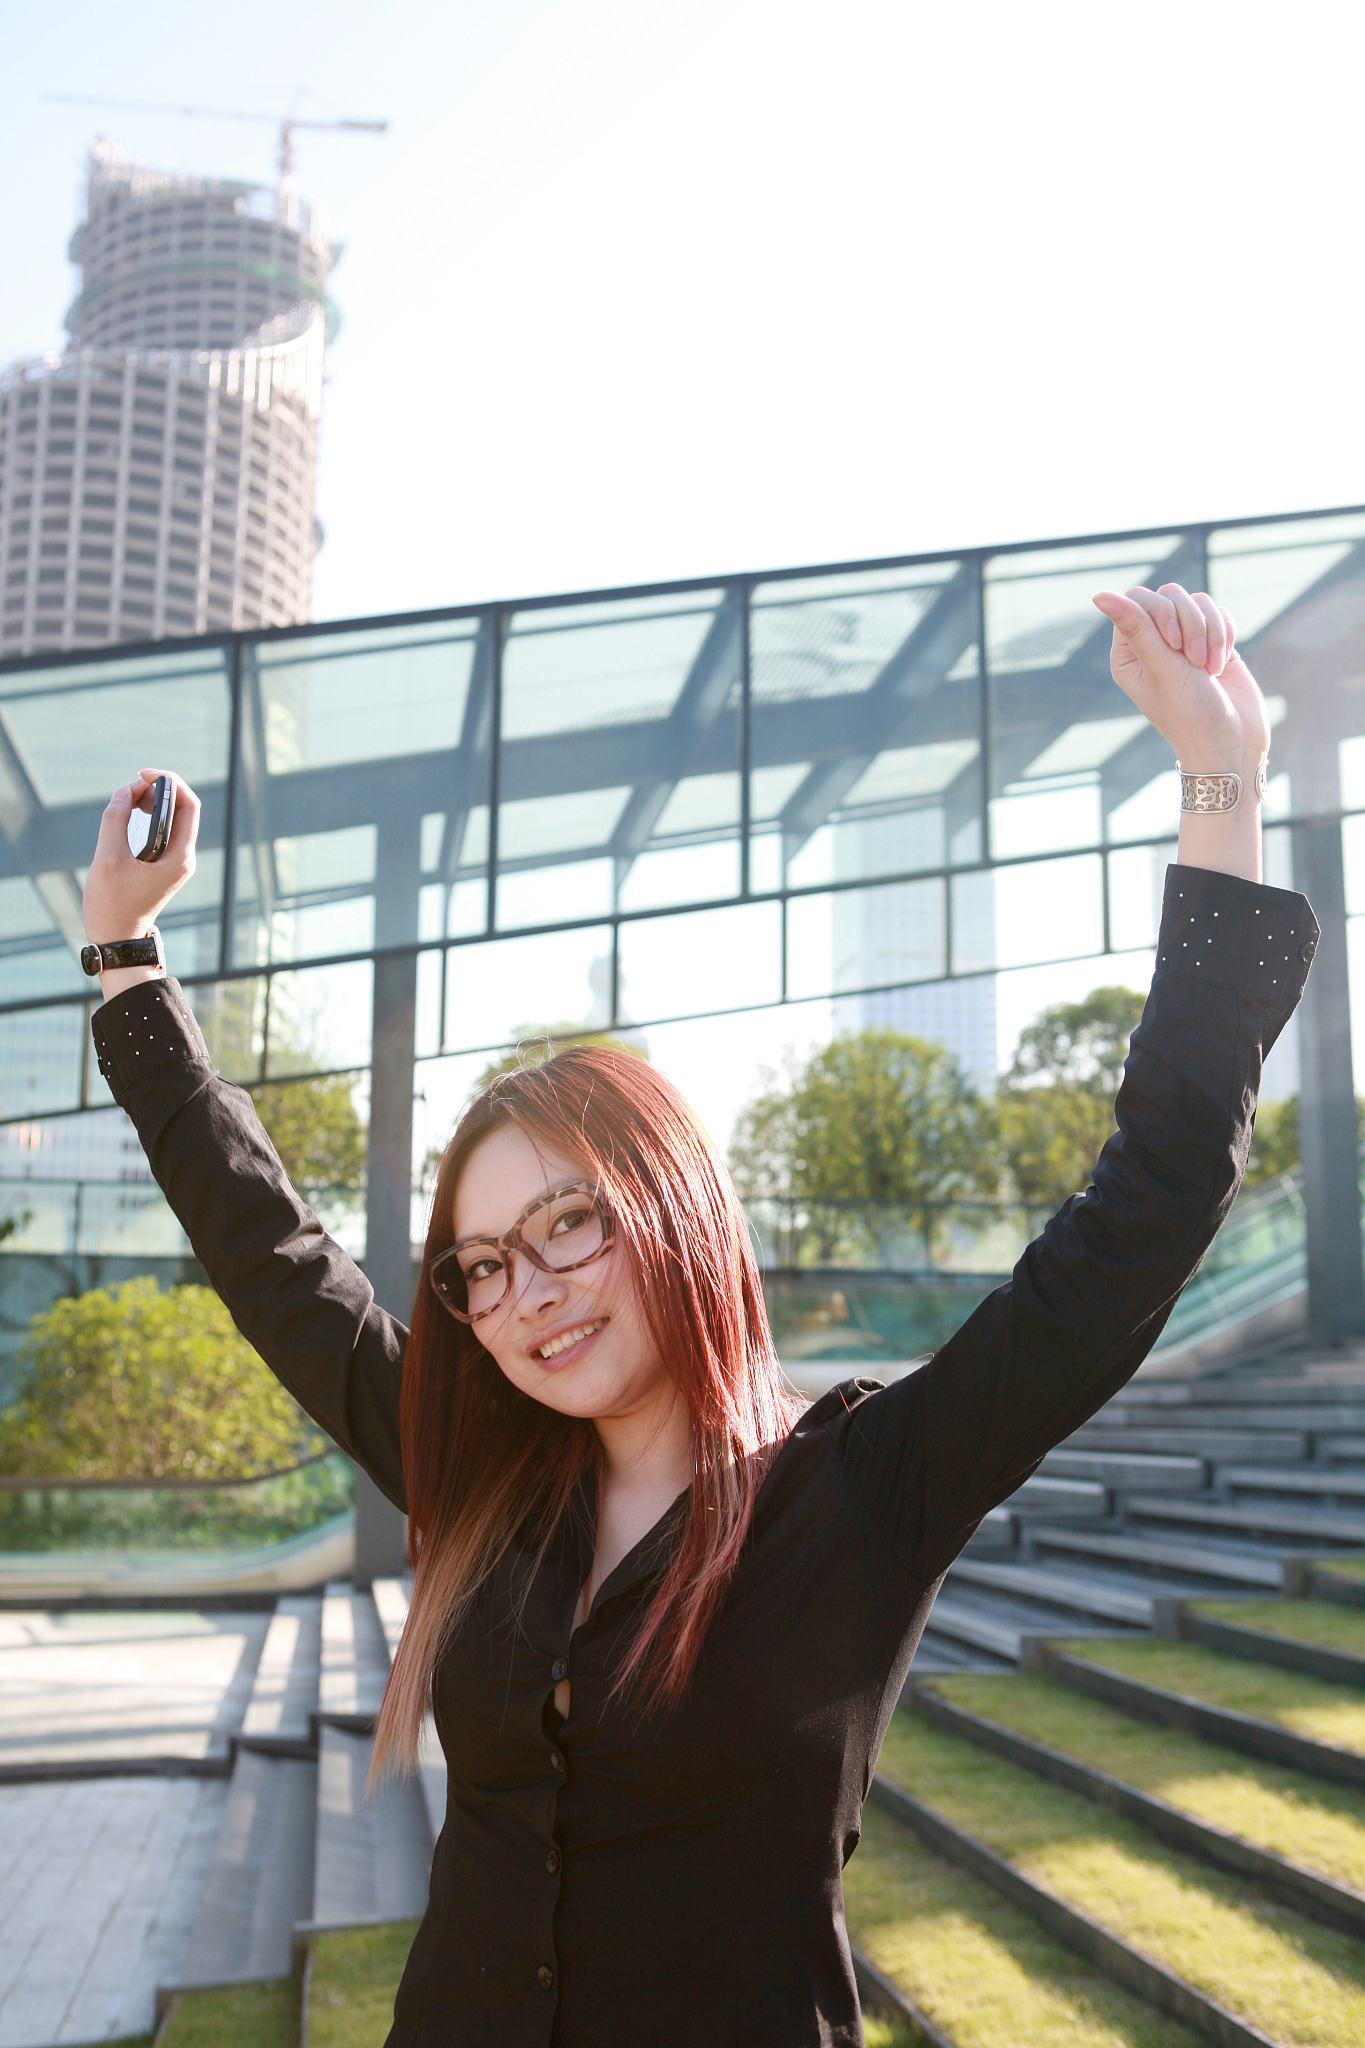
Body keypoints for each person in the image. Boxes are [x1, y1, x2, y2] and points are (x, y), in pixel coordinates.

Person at [82, 583, 1316, 2047]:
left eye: (564, 1228)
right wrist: (124, 957)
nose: (522, 1295)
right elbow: (272, 1256)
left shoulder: (863, 1494)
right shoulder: (474, 1479)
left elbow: (1151, 1199)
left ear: (667, 1209)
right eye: (478, 1266)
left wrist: (1218, 779)